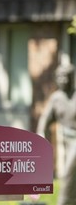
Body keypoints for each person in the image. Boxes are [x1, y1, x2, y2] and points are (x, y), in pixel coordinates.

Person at [36, 62, 76, 205]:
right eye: (60, 77)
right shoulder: (56, 98)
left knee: (68, 174)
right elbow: (44, 123)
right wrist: (42, 146)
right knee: (71, 176)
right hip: (67, 140)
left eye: (67, 76)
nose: (63, 80)